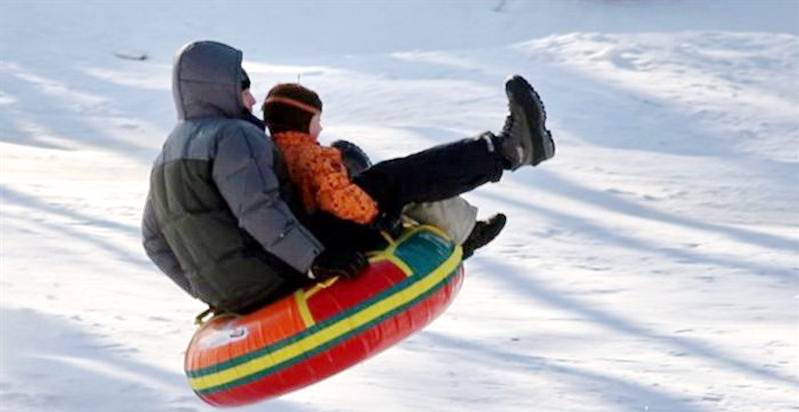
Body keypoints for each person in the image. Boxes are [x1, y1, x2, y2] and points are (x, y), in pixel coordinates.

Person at [142, 40, 554, 315]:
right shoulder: (232, 135)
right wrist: (316, 260)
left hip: (238, 293)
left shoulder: (166, 156)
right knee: (387, 182)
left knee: (354, 173)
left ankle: (463, 226)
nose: (250, 98)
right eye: (243, 86)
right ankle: (510, 149)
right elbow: (259, 209)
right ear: (216, 88)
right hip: (284, 267)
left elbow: (155, 242)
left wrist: (215, 293)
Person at [262, 82, 508, 258]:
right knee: (402, 181)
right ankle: (468, 231)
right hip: (343, 230)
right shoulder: (311, 156)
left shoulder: (278, 153)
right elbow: (335, 196)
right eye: (317, 121)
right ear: (301, 122)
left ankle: (467, 230)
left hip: (318, 231)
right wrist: (376, 218)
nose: (322, 128)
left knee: (392, 181)